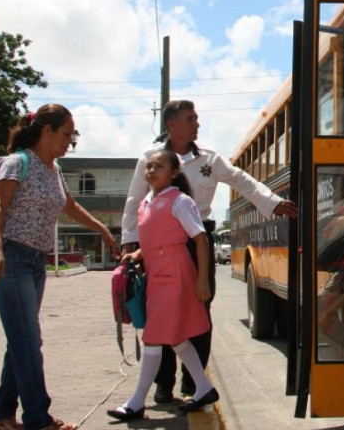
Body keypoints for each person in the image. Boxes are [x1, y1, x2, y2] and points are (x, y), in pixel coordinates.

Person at [120, 99, 298, 403]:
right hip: (159, 247)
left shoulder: (210, 159)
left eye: (196, 118)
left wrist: (272, 202)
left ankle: (194, 384)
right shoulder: (151, 158)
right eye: (190, 119)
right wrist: (130, 242)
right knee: (160, 313)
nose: (197, 123)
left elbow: (242, 180)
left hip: (196, 242)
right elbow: (135, 200)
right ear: (172, 124)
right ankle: (164, 383)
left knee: (198, 312)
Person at [0, 104, 117, 430]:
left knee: (20, 341)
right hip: (12, 259)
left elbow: (69, 205)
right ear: (47, 131)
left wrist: (101, 228)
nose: (70, 141)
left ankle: (2, 416)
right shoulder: (18, 162)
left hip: (36, 263)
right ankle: (38, 419)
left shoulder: (54, 170)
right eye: (66, 134)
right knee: (29, 343)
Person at [107, 150, 219, 420]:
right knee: (176, 337)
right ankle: (204, 388)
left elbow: (200, 239)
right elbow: (159, 238)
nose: (151, 171)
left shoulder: (180, 201)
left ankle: (136, 402)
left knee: (154, 337)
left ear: (175, 172)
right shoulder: (148, 201)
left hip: (175, 275)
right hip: (158, 276)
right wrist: (138, 253)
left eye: (159, 166)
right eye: (149, 166)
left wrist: (202, 280)